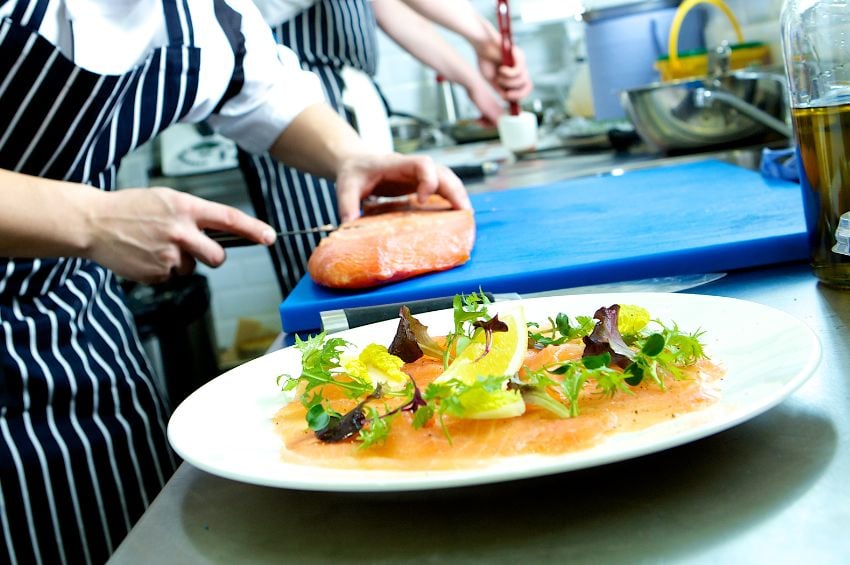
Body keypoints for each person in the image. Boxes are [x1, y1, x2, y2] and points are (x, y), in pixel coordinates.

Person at [0, 1, 469, 563]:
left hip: (77, 317)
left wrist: (351, 155)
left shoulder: (201, 11)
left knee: (130, 526)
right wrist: (88, 219)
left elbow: (261, 87)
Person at [243, 0, 533, 295]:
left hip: (353, 103)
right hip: (298, 114)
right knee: (331, 288)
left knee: (393, 281)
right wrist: (483, 36)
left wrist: (474, 82)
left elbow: (384, 5)